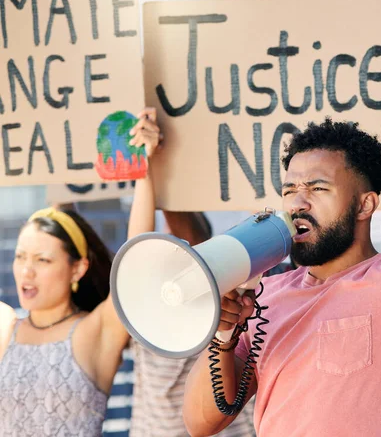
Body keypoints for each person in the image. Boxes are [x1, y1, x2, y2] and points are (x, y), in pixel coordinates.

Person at [182, 32, 381, 436]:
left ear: (365, 205)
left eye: (318, 189)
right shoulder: (266, 297)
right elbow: (200, 423)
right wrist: (225, 334)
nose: (298, 203)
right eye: (289, 191)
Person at [124, 108, 256, 437]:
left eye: (195, 253)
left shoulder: (240, 302)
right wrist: (147, 165)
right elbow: (135, 248)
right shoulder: (146, 309)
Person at [0, 206, 128, 436]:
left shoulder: (92, 331)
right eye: (20, 257)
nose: (27, 271)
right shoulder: (4, 328)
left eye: (43, 260)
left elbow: (134, 264)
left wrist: (144, 176)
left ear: (77, 269)